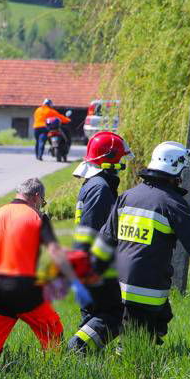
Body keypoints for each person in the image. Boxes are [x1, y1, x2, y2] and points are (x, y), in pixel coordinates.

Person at [90, 141, 190, 344]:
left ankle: (78, 348)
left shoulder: (128, 196)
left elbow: (105, 240)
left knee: (117, 320)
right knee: (138, 338)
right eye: (182, 172)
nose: (182, 178)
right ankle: (127, 368)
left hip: (116, 283)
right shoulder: (172, 204)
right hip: (147, 288)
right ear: (175, 170)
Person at [0, 178, 91, 364]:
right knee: (53, 331)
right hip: (24, 289)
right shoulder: (38, 217)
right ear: (37, 197)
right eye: (42, 201)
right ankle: (55, 369)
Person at [67, 131, 132, 354]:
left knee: (94, 314)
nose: (122, 164)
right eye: (120, 159)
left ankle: (84, 357)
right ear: (110, 160)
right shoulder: (101, 189)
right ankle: (77, 350)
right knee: (114, 314)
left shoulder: (95, 184)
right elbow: (95, 233)